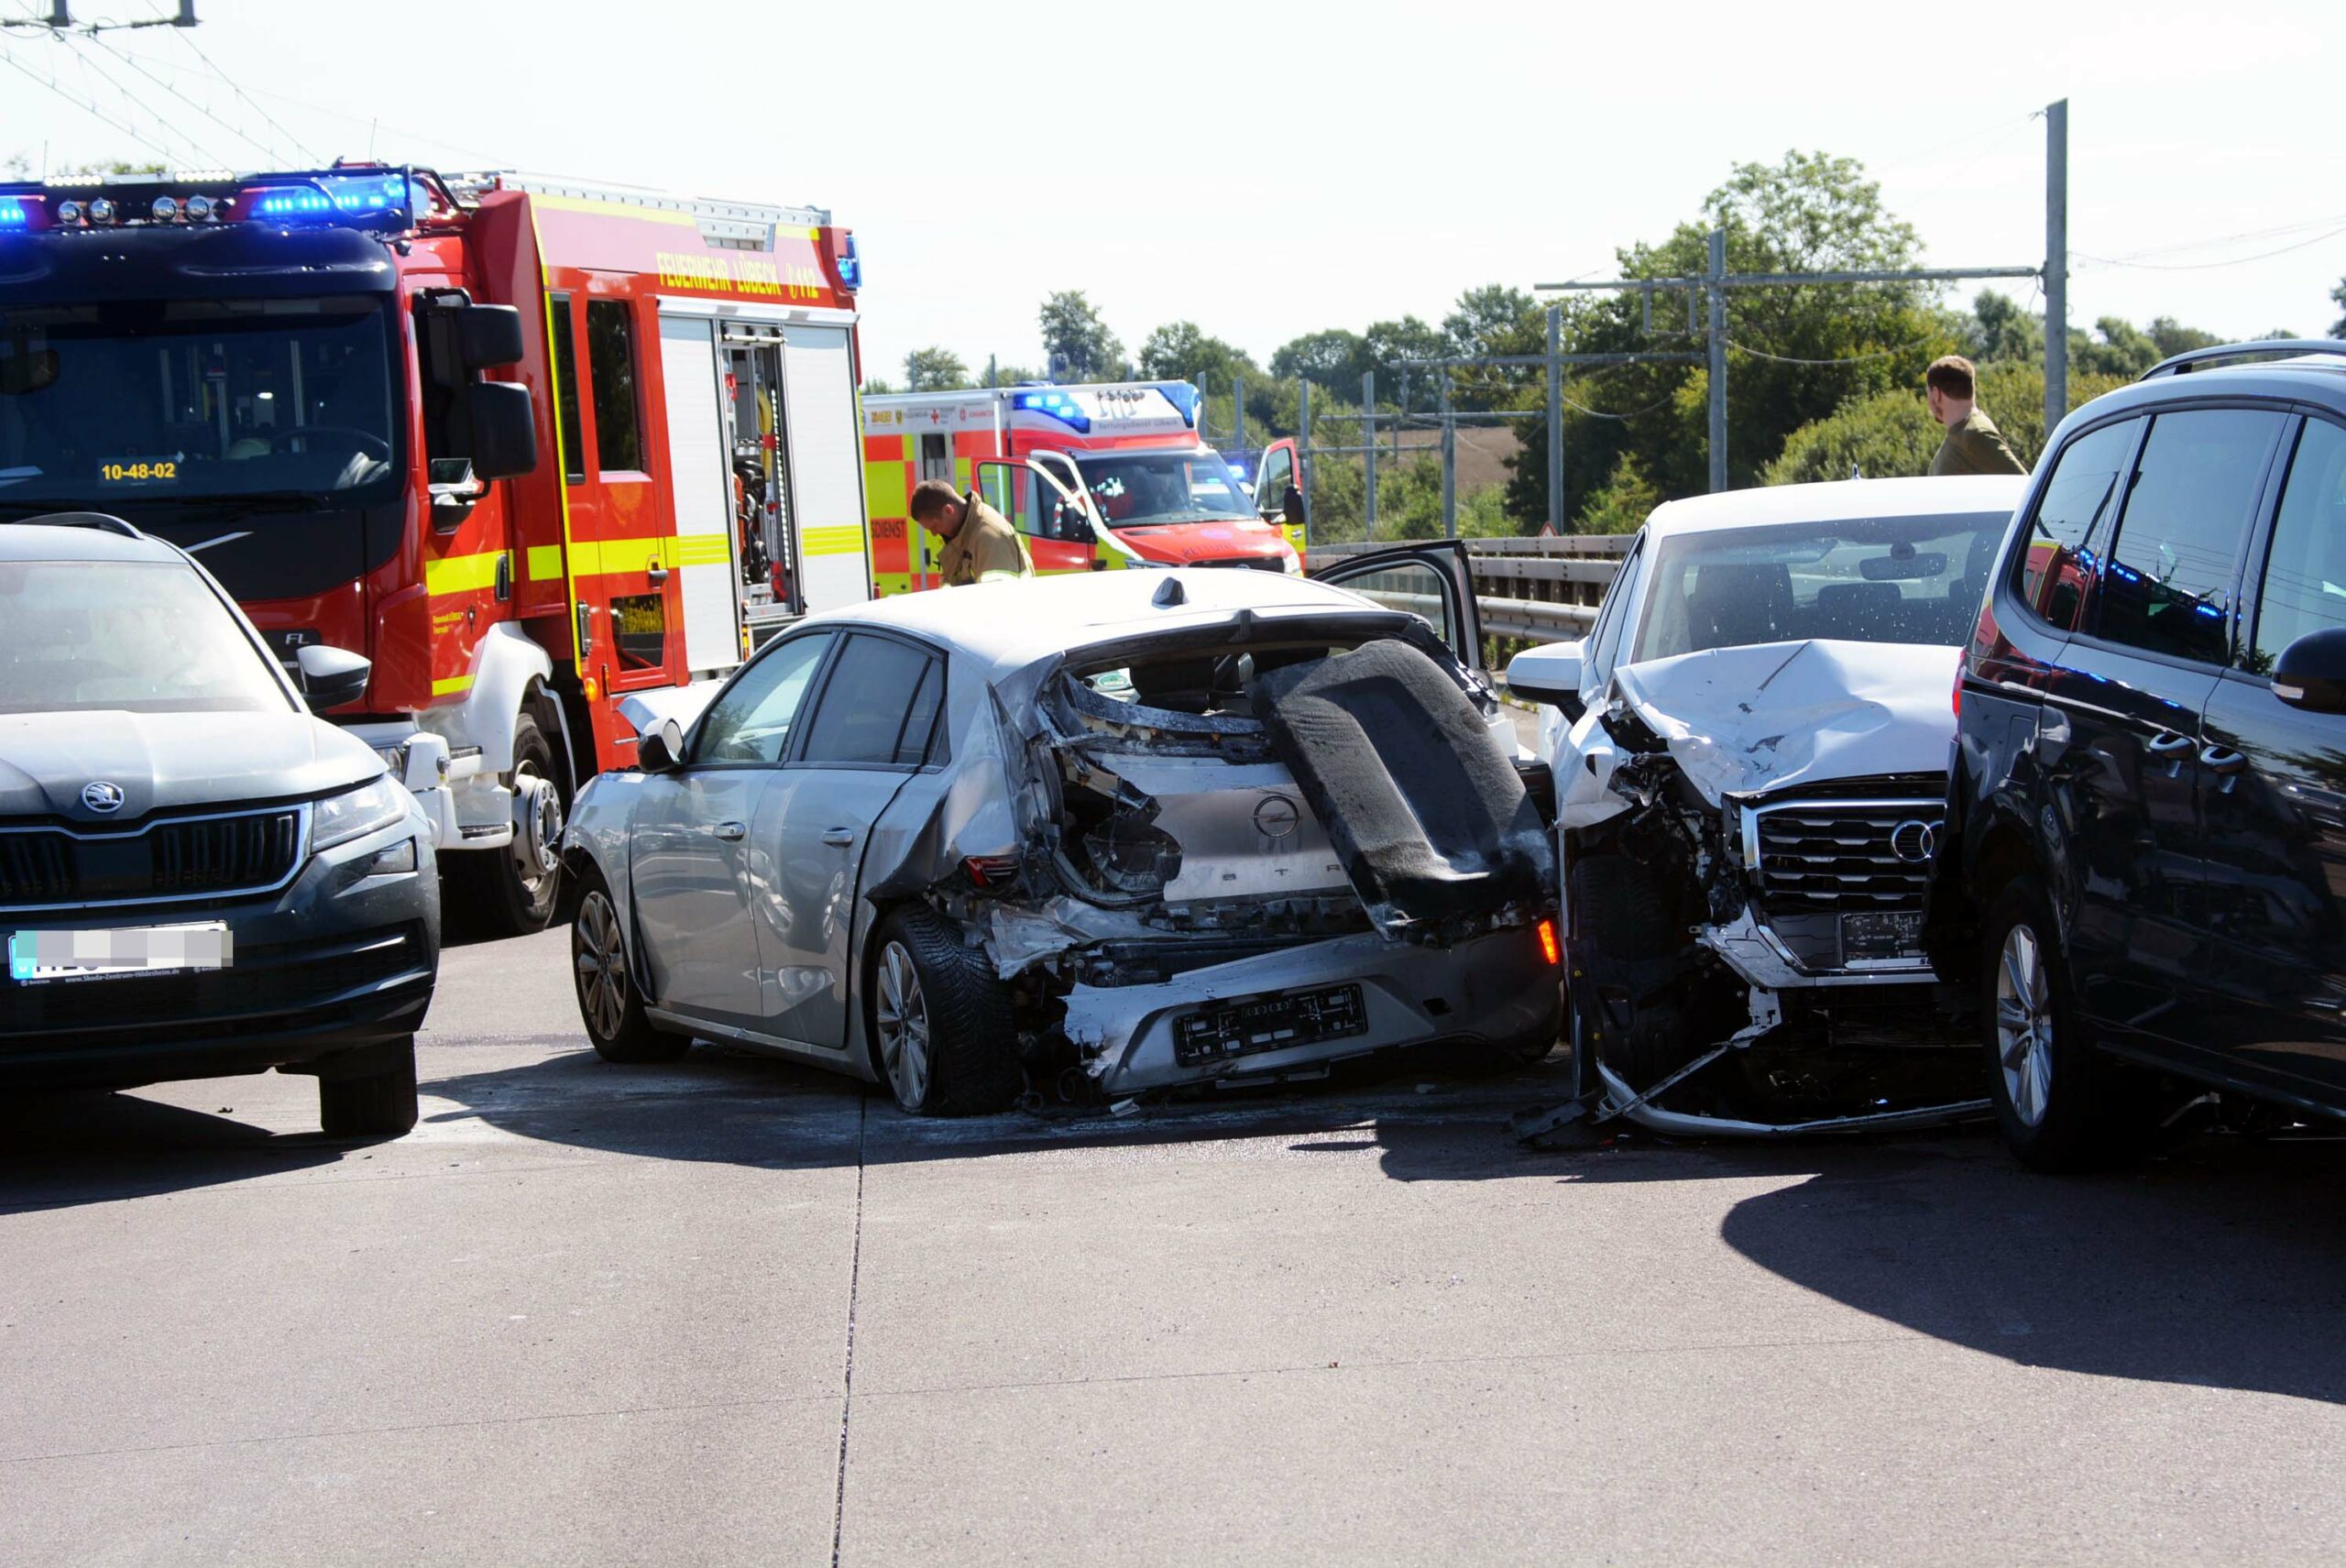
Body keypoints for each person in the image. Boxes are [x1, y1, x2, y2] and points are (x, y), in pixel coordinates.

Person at [908, 477, 1032, 587]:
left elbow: (997, 602)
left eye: (934, 526)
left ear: (948, 510)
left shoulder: (989, 538)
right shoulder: (965, 534)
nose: (934, 533)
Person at [1925, 355, 2027, 477]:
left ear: (1936, 394)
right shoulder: (1962, 432)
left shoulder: (1976, 434)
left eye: (1928, 393)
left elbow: (2022, 484)